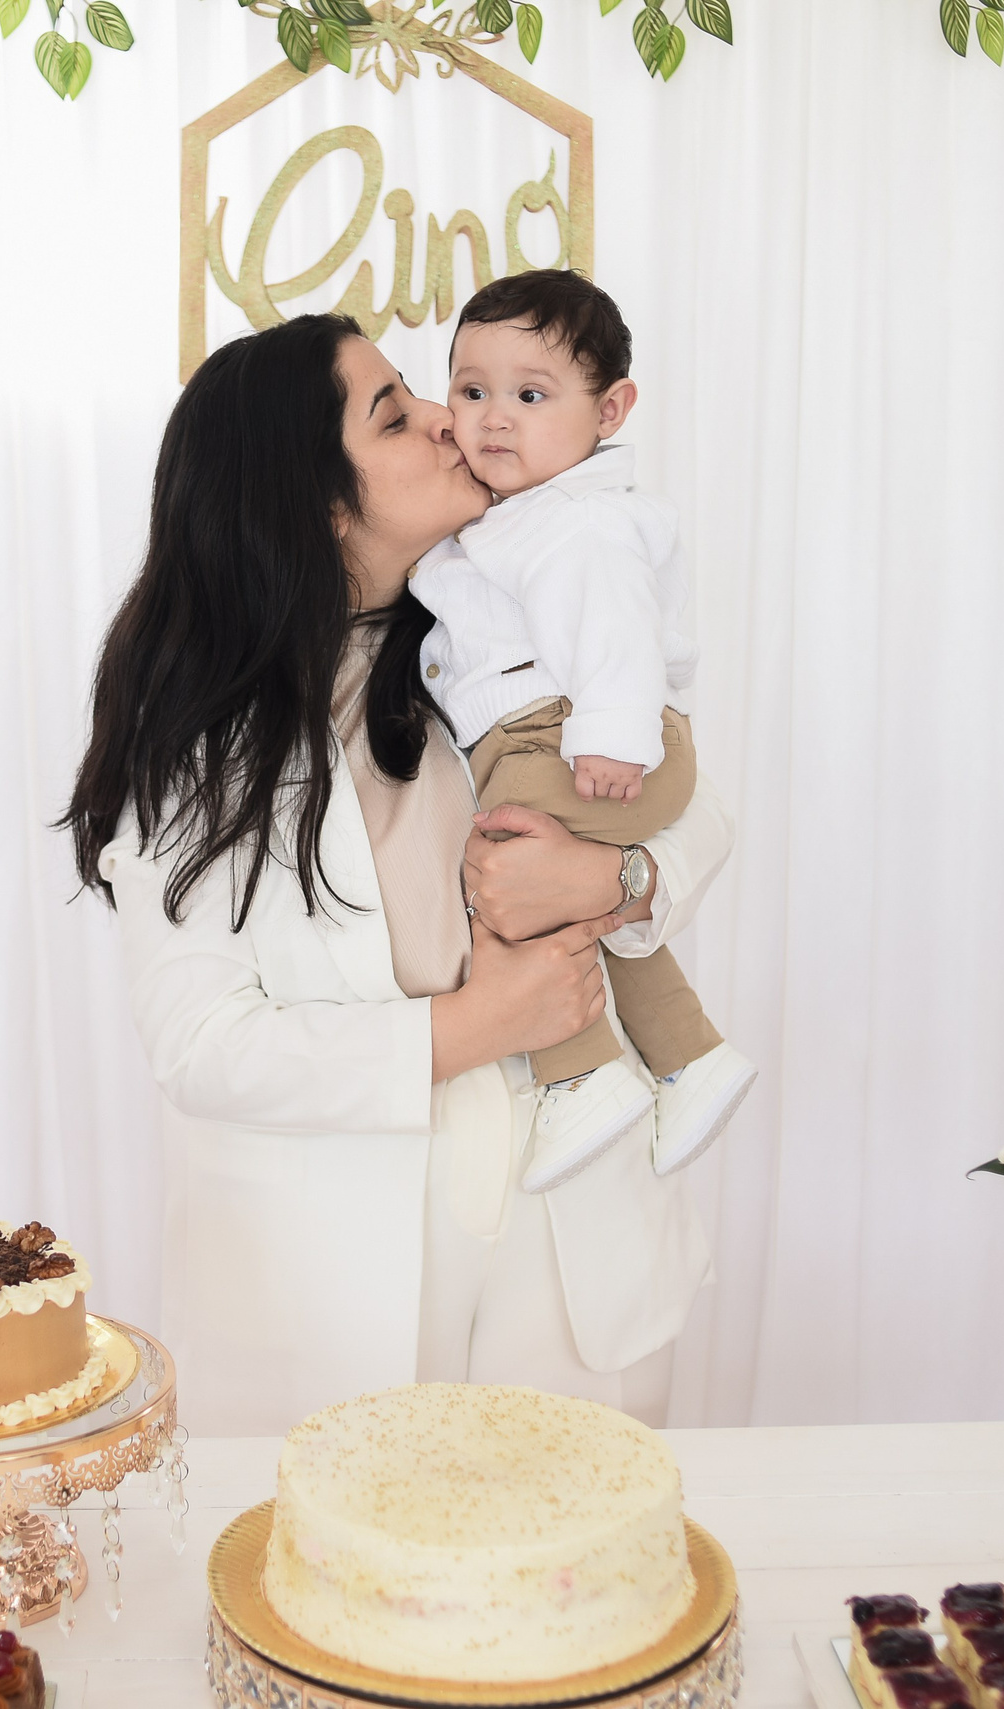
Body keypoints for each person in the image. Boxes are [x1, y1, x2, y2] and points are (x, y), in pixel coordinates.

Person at [62, 313, 734, 1435]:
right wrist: (477, 1023)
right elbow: (204, 1043)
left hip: (566, 1228)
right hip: (337, 1259)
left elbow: (692, 797)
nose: (448, 418)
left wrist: (617, 879)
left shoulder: (499, 614)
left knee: (573, 1576)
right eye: (394, 414)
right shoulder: (197, 738)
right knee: (342, 1585)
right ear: (316, 502)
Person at [412, 269, 758, 1194]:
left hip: (573, 741)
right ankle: (687, 1053)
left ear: (611, 410)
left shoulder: (579, 521)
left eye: (530, 396)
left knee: (503, 870)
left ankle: (582, 1070)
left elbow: (612, 628)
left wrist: (611, 735)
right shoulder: (517, 516)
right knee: (558, 891)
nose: (492, 418)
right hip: (556, 739)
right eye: (471, 390)